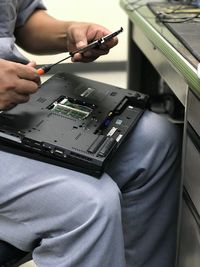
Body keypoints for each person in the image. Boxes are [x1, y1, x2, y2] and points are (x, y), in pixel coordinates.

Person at [0, 1, 182, 267]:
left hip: (15, 106)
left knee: (156, 140)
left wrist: (70, 32)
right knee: (88, 205)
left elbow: (22, 20)